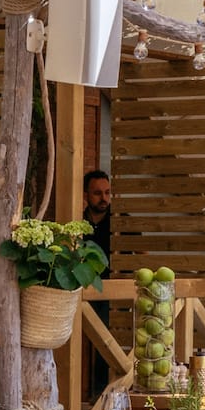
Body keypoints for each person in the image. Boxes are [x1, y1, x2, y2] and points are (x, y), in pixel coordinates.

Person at [83, 169, 114, 398]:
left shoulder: (119, 221)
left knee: (105, 343)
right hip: (83, 289)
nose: (104, 198)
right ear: (86, 195)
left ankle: (102, 393)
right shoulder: (78, 223)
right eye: (97, 193)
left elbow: (140, 255)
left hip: (112, 293)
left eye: (107, 192)